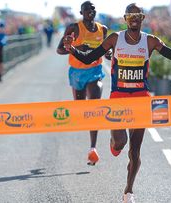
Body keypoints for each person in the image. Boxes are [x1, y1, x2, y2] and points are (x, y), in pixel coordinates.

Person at [63, 3, 171, 203]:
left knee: (135, 151)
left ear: (142, 18)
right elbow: (89, 58)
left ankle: (128, 191)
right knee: (121, 142)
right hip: (118, 100)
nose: (134, 18)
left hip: (141, 100)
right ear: (125, 18)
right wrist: (72, 49)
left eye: (137, 15)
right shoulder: (114, 38)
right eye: (130, 15)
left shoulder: (151, 41)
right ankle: (113, 143)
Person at [57, 1, 111, 166]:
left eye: (93, 8)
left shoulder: (103, 29)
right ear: (81, 13)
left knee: (94, 107)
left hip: (95, 71)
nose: (90, 11)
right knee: (81, 110)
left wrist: (108, 53)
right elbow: (59, 50)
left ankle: (93, 148)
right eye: (87, 9)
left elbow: (107, 50)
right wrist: (74, 46)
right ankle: (90, 143)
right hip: (77, 73)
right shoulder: (74, 28)